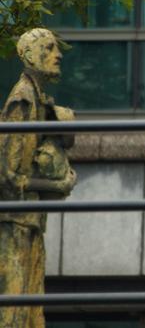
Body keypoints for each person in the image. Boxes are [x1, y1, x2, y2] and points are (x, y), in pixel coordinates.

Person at [0, 28, 76, 327]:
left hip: (28, 219)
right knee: (15, 312)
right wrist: (55, 185)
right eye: (48, 48)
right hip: (13, 224)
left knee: (31, 310)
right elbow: (5, 175)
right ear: (29, 55)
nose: (57, 55)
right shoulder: (21, 100)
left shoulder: (38, 99)